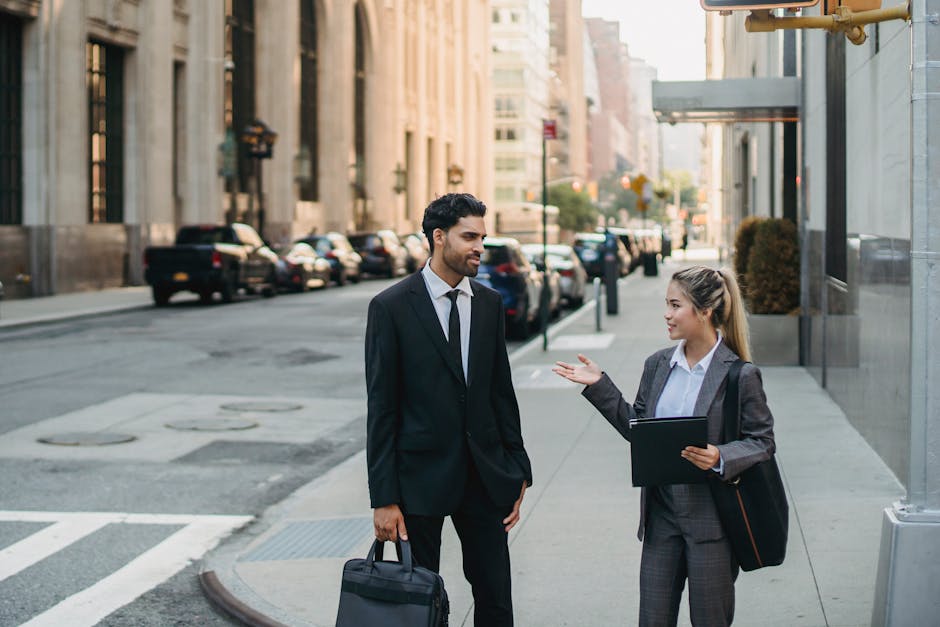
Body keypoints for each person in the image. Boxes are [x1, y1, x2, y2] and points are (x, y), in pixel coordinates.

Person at [552, 266, 775, 626]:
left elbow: (762, 441)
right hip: (662, 518)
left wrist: (721, 455)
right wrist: (599, 385)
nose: (666, 314)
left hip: (712, 522)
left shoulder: (740, 375)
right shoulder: (657, 365)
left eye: (675, 305)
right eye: (666, 304)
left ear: (704, 311)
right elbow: (638, 430)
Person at [365, 193, 532, 627]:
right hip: (418, 481)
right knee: (420, 603)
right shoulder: (391, 307)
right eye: (470, 237)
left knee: (495, 598)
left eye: (483, 237)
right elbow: (381, 409)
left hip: (484, 475)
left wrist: (518, 468)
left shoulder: (490, 302)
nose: (480, 247)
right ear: (439, 238)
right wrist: (384, 498)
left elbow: (500, 392)